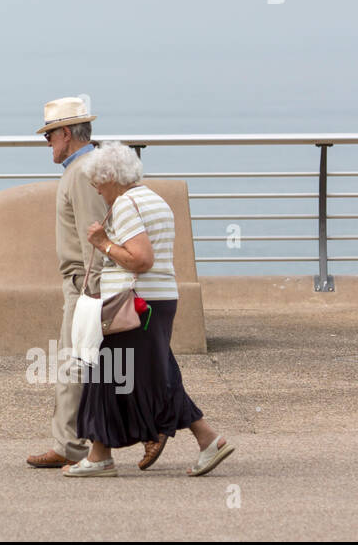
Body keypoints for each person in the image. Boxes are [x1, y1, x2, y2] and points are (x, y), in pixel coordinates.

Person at [64, 141, 235, 478]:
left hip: (135, 304)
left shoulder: (126, 204)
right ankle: (103, 454)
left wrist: (103, 243)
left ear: (111, 176)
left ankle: (206, 440)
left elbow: (141, 259)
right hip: (156, 300)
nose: (97, 191)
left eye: (97, 182)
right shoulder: (154, 200)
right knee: (138, 375)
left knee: (118, 373)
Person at [26, 96, 106, 469]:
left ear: (67, 133)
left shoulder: (81, 172)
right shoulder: (83, 168)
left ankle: (68, 445)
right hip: (84, 281)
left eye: (50, 136)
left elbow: (94, 233)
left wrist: (92, 287)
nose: (48, 144)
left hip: (84, 282)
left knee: (73, 364)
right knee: (92, 365)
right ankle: (73, 443)